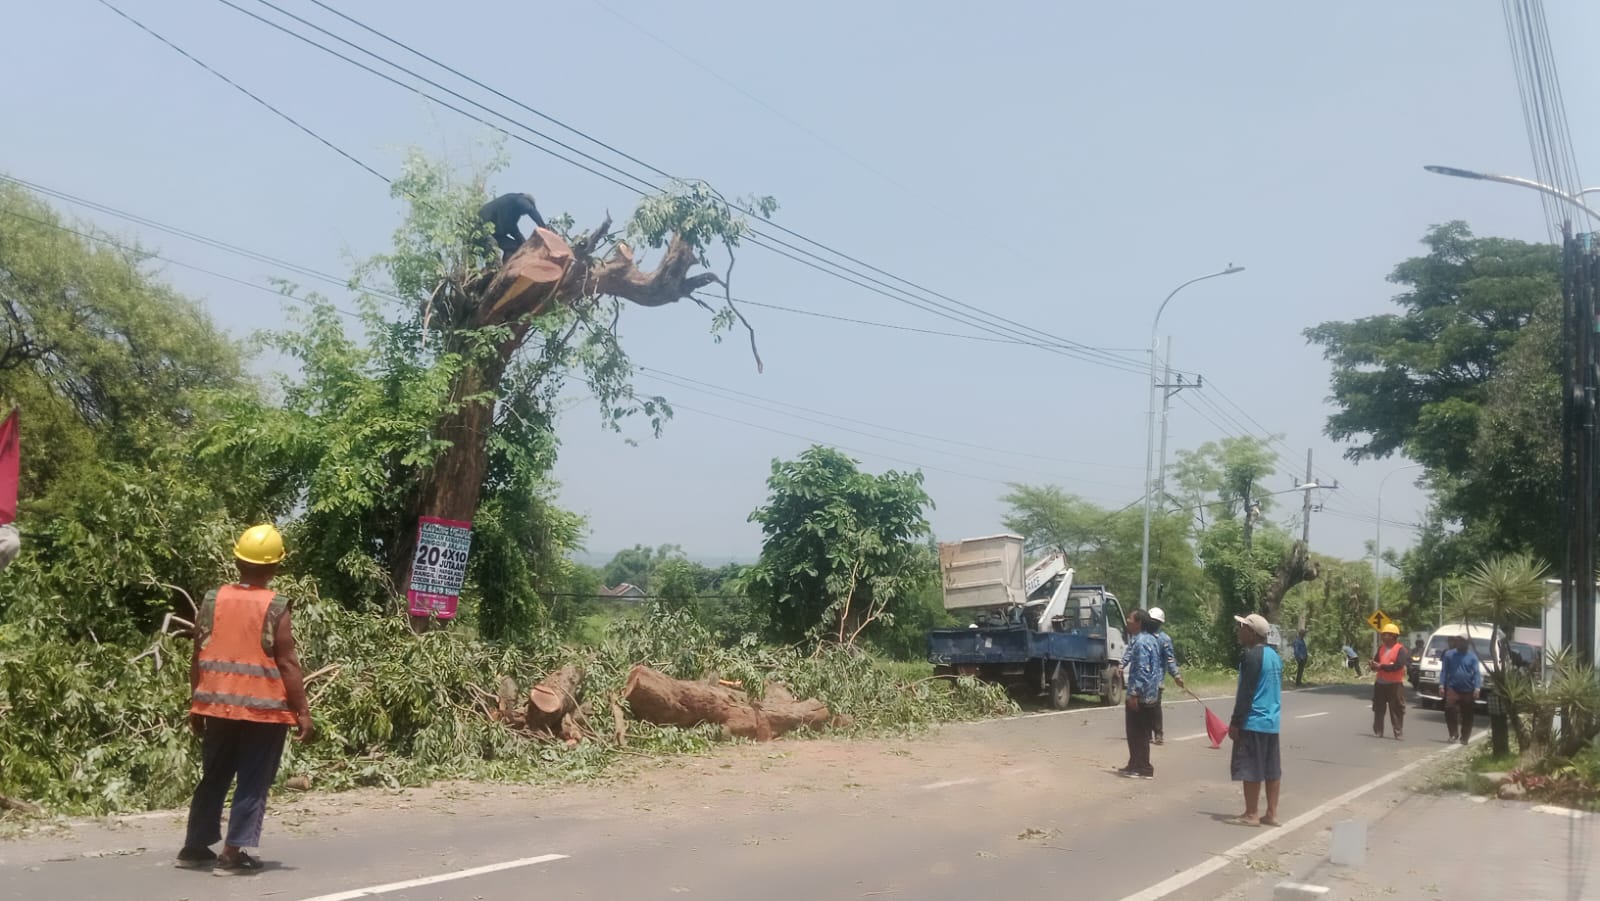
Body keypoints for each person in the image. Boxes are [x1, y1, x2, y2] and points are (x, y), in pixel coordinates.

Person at [177, 525, 313, 875]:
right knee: (253, 779)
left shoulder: (212, 600)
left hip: (216, 705)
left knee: (214, 776)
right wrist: (303, 711)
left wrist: (196, 703)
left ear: (238, 560)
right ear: (275, 567)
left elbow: (198, 654)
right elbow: (287, 662)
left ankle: (194, 847)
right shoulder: (275, 606)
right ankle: (232, 854)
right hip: (262, 710)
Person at [1228, 613, 1282, 827]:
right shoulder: (1274, 656)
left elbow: (1246, 693)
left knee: (1251, 767)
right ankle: (1271, 813)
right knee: (1271, 769)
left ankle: (1251, 814)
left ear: (1251, 632)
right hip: (1272, 721)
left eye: (1242, 627)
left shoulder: (1252, 657)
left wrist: (1235, 722)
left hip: (1254, 720)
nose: (1239, 631)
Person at [1117, 609, 1164, 779]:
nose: (1127, 621)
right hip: (1150, 694)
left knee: (1137, 733)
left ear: (1138, 623)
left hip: (1141, 695)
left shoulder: (1142, 642)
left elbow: (1144, 669)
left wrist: (1135, 693)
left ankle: (1143, 767)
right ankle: (1135, 764)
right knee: (1139, 733)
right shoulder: (1149, 639)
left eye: (1130, 619)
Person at [1145, 607, 1186, 744]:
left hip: (1157, 680)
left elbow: (1170, 660)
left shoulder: (1164, 639)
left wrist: (1176, 675)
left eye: (1155, 621)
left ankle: (1158, 733)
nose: (1152, 623)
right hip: (1143, 679)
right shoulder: (1143, 637)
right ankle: (1146, 734)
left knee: (1155, 707)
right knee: (1144, 708)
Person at [1439, 633, 1482, 744]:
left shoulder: (1472, 657)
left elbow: (1477, 673)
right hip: (1453, 687)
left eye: (1462, 641)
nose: (1460, 643)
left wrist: (1477, 687)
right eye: (1458, 640)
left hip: (1468, 689)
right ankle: (1453, 734)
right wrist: (1441, 685)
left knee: (1467, 714)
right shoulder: (1449, 655)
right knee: (1450, 709)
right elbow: (1444, 671)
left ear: (1467, 643)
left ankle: (1465, 737)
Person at [1369, 623, 1410, 739]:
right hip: (1380, 683)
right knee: (1378, 708)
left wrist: (1381, 666)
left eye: (1385, 634)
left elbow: (1398, 666)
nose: (1382, 636)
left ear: (1393, 636)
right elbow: (1376, 662)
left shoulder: (1401, 650)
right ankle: (1378, 731)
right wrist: (1373, 665)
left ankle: (1398, 732)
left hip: (1395, 685)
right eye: (1382, 634)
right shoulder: (1381, 648)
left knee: (1396, 709)